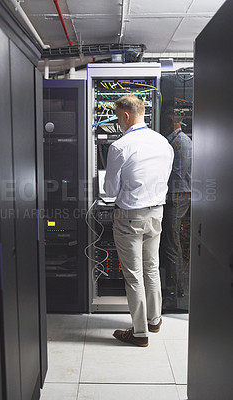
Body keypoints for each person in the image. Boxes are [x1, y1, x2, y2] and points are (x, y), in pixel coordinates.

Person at [104, 94, 174, 347]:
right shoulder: (163, 142)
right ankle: (154, 320)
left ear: (125, 115)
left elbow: (110, 191)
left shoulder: (120, 146)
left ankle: (139, 333)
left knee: (133, 275)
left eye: (117, 116)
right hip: (157, 212)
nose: (117, 121)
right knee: (151, 267)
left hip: (130, 217)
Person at [160, 109, 192, 309]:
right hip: (180, 195)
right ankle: (176, 287)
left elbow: (172, 175)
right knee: (174, 242)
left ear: (173, 120)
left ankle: (174, 291)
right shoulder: (180, 140)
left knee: (172, 245)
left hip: (176, 196)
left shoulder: (177, 142)